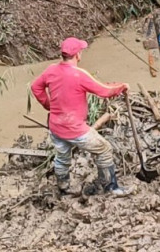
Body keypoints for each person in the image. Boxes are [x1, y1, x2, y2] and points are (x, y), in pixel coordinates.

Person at [31, 37, 131, 197]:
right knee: (104, 149)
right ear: (78, 55)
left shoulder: (51, 70)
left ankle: (64, 186)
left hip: (56, 126)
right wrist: (121, 87)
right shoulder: (79, 75)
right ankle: (111, 187)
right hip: (75, 129)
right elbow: (103, 91)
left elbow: (35, 87)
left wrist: (48, 105)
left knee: (62, 156)